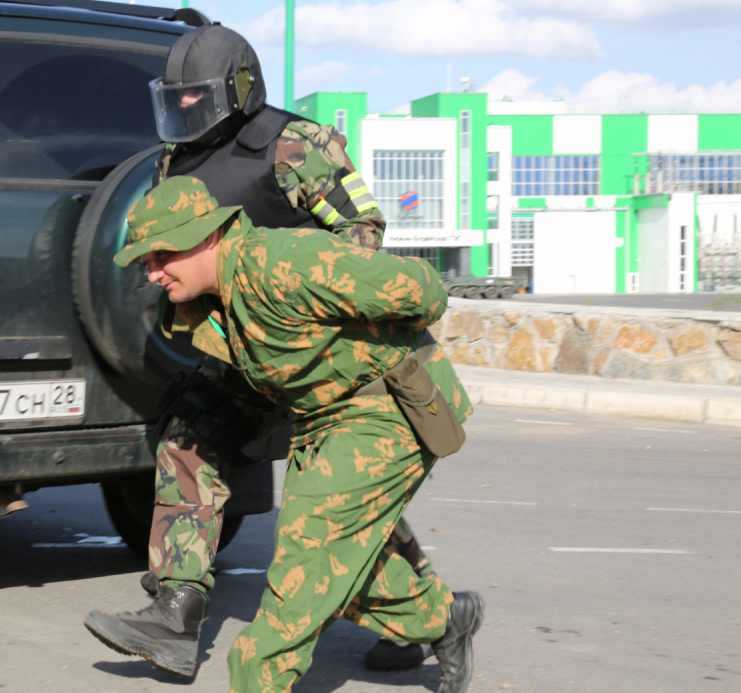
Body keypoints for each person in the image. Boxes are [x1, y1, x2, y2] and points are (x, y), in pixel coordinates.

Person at [83, 24, 440, 676]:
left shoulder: (295, 144)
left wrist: (287, 281)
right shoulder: (175, 158)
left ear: (238, 90)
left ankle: (416, 616)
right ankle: (177, 612)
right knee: (186, 440)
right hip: (241, 349)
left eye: (198, 99)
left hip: (317, 348)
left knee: (344, 497)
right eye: (177, 99)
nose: (185, 112)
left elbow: (364, 232)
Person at [100, 176, 483, 693]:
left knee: (302, 575)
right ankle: (444, 619)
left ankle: (257, 681)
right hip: (321, 418)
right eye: (144, 260)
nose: (150, 272)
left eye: (159, 255)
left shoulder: (286, 262)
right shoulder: (216, 300)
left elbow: (424, 290)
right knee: (334, 573)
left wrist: (383, 342)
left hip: (382, 412)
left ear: (204, 236)